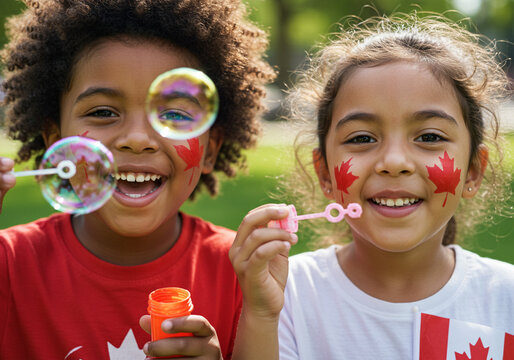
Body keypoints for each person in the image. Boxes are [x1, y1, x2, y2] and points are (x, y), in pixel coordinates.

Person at [229, 13, 514, 359]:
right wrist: (260, 316)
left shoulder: (506, 298)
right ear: (325, 175)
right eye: (362, 137)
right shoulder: (287, 294)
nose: (394, 162)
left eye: (429, 137)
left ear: (472, 172)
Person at [0, 0, 274, 358]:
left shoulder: (247, 273)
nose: (137, 138)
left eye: (174, 114)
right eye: (102, 112)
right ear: (56, 143)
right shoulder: (10, 264)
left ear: (209, 150)